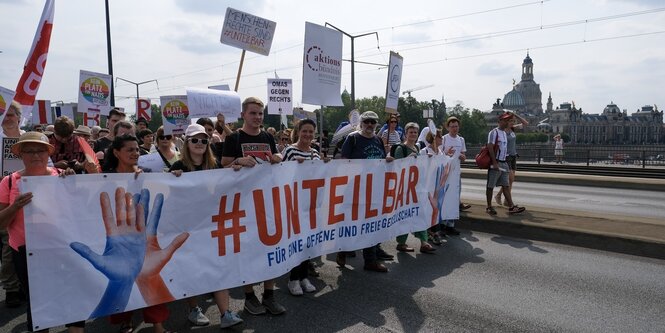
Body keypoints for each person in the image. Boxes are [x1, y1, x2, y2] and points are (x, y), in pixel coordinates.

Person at [0, 132, 83, 332]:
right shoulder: (9, 181)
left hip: (61, 247)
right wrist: (14, 207)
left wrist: (71, 185)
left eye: (40, 150)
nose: (35, 155)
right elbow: (1, 223)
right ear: (21, 154)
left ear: (48, 154)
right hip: (26, 251)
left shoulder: (62, 177)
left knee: (74, 295)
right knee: (38, 303)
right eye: (29, 151)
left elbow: (80, 212)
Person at [169, 124, 242, 328]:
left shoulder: (215, 164)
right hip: (188, 228)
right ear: (186, 143)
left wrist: (235, 170)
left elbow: (224, 185)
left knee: (218, 267)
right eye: (194, 140)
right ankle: (193, 309)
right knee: (192, 270)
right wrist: (171, 180)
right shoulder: (178, 168)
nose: (199, 143)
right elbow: (170, 197)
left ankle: (225, 313)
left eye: (203, 140)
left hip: (212, 225)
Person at [103, 135, 175, 333]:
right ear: (116, 153)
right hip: (118, 237)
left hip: (143, 235)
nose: (136, 153)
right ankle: (126, 322)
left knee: (149, 278)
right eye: (130, 150)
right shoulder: (103, 176)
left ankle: (158, 327)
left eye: (137, 149)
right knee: (123, 281)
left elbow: (168, 192)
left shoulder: (148, 174)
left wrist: (176, 174)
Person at [221, 96, 286, 315]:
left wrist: (277, 156)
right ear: (243, 115)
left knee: (271, 246)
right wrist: (238, 161)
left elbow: (275, 155)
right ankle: (249, 296)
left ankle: (269, 295)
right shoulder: (235, 138)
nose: (257, 117)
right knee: (247, 250)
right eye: (253, 113)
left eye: (260, 113)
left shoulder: (268, 135)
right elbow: (223, 167)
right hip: (244, 203)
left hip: (267, 200)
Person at [337, 111, 395, 273]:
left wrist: (388, 160)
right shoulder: (353, 138)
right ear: (361, 123)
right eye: (367, 121)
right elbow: (344, 161)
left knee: (371, 224)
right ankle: (342, 249)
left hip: (373, 190)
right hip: (354, 189)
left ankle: (370, 260)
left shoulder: (378, 140)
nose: (370, 125)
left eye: (373, 122)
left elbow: (381, 161)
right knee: (350, 222)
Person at [281, 119, 321, 296]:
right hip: (294, 203)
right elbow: (280, 175)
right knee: (296, 241)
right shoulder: (290, 150)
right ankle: (293, 279)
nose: (308, 135)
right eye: (304, 131)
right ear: (298, 132)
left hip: (310, 204)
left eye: (311, 132)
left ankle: (304, 276)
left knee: (308, 241)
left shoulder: (315, 153)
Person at [393, 122, 436, 254]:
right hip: (405, 189)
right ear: (405, 134)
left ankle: (424, 242)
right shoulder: (401, 149)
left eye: (415, 132)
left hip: (416, 187)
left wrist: (424, 159)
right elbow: (397, 167)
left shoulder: (417, 149)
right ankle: (401, 242)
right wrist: (407, 160)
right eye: (410, 132)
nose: (413, 134)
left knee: (420, 213)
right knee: (405, 215)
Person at [0, 101, 25, 309]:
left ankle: (25, 284)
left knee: (25, 244)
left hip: (29, 197)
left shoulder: (30, 138)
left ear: (19, 117)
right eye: (3, 114)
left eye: (11, 114)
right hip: (3, 197)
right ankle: (11, 288)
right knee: (8, 246)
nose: (7, 118)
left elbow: (47, 164)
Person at [485, 113, 526, 215]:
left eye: (508, 120)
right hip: (497, 163)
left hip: (504, 162)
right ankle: (489, 206)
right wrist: (494, 163)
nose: (507, 122)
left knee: (506, 185)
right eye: (505, 120)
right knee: (490, 186)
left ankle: (511, 206)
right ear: (499, 121)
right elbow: (490, 147)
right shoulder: (494, 132)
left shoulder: (504, 133)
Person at [439, 116, 467, 236]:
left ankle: (450, 225)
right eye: (452, 126)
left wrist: (462, 156)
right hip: (445, 173)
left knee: (454, 199)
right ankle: (442, 224)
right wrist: (446, 153)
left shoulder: (461, 140)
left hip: (456, 173)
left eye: (456, 126)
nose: (454, 128)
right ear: (447, 127)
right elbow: (439, 156)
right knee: (444, 198)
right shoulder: (444, 139)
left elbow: (464, 157)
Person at [494, 111, 528, 206]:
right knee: (511, 179)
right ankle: (503, 198)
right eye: (510, 121)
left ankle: (504, 198)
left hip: (513, 156)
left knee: (510, 180)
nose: (512, 122)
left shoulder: (513, 129)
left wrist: (515, 115)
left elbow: (525, 123)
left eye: (513, 121)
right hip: (506, 157)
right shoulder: (503, 132)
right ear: (506, 122)